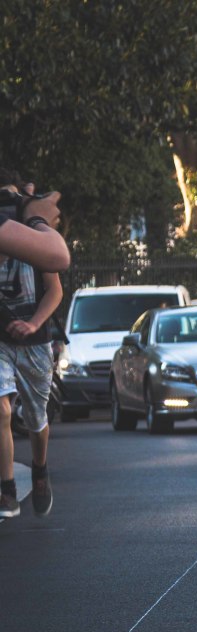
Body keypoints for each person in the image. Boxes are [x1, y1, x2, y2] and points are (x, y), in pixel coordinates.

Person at [1, 173, 66, 521]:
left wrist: (34, 324)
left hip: (35, 342)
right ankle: (7, 489)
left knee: (36, 419)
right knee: (2, 411)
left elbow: (55, 291)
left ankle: (40, 469)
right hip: (1, 340)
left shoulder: (33, 238)